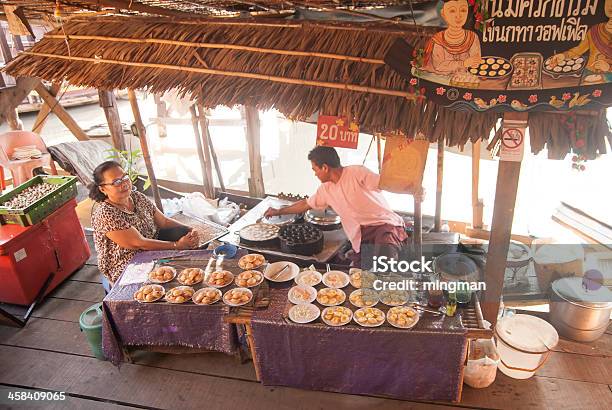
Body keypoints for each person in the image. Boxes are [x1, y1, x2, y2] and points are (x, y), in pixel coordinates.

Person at [264, 146, 407, 268]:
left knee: (384, 266)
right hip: (360, 237)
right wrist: (278, 211)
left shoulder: (357, 173)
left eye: (315, 169)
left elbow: (386, 182)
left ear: (325, 167)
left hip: (383, 227)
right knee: (359, 277)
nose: (315, 174)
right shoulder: (325, 190)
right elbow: (305, 204)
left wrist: (411, 188)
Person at [90, 161, 199, 285]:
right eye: (116, 182)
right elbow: (139, 243)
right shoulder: (105, 214)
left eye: (125, 177)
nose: (124, 184)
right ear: (102, 189)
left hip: (151, 245)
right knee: (166, 279)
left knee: (187, 235)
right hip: (129, 261)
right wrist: (176, 245)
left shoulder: (136, 197)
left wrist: (190, 228)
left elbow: (163, 221)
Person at [549, 0, 612, 82]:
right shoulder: (594, 30)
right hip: (589, 73)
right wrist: (563, 56)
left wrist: (609, 68)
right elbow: (579, 50)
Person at [421, 0, 481, 76]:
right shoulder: (438, 39)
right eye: (452, 11)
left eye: (463, 10)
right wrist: (463, 63)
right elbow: (439, 66)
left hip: (465, 80)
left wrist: (474, 62)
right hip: (442, 80)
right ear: (443, 13)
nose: (458, 16)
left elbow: (476, 62)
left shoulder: (472, 37)